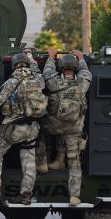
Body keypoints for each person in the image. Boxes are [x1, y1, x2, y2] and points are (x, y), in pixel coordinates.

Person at [0, 53, 46, 205]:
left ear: (14, 66)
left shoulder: (12, 82)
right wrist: (31, 58)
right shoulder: (38, 80)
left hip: (14, 128)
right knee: (29, 160)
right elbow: (37, 69)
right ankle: (26, 195)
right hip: (33, 128)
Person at [36, 48, 92, 206]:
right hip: (74, 128)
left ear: (61, 67)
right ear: (75, 68)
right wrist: (81, 58)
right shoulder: (82, 82)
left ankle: (42, 163)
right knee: (74, 162)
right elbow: (85, 71)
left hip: (54, 125)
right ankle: (75, 196)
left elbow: (47, 71)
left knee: (36, 130)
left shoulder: (55, 82)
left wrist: (51, 57)